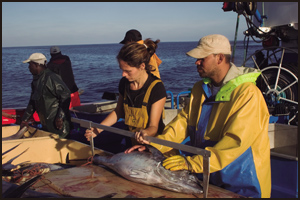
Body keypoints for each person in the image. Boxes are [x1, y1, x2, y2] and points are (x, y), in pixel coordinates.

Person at [126, 34, 271, 198]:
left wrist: (191, 163)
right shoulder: (199, 89)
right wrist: (156, 146)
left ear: (220, 58)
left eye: (201, 58)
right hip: (208, 178)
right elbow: (182, 123)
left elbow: (235, 142)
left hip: (242, 185)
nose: (196, 62)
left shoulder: (248, 94)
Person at [85, 38, 167, 146]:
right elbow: (118, 111)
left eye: (128, 71)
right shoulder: (124, 83)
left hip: (152, 144)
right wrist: (98, 129)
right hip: (131, 140)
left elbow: (154, 126)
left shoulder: (157, 88)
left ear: (142, 66)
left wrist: (145, 133)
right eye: (122, 70)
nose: (123, 74)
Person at [20, 53, 72, 138]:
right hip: (46, 123)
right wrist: (25, 119)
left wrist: (60, 117)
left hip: (58, 125)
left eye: (30, 65)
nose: (29, 68)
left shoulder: (51, 78)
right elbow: (33, 101)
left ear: (37, 65)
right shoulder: (36, 80)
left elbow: (65, 94)